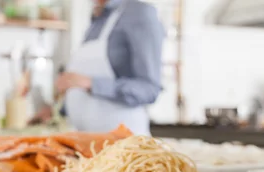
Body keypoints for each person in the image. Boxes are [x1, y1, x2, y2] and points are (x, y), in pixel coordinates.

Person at [34, 0, 165, 136]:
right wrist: (58, 110)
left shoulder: (139, 13)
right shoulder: (99, 19)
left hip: (125, 144)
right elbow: (86, 93)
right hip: (87, 143)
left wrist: (91, 83)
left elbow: (149, 89)